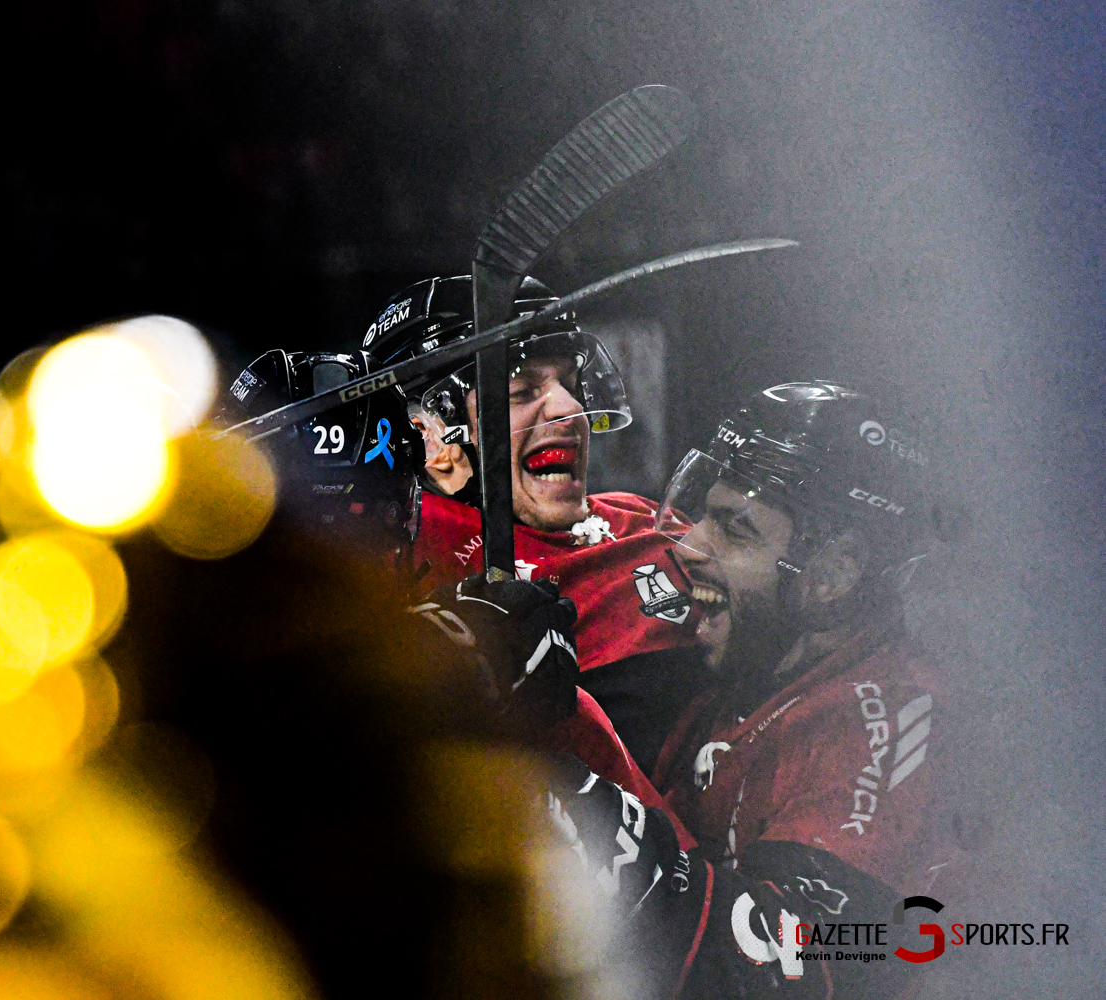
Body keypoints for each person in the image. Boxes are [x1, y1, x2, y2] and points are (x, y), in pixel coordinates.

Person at [532, 380, 966, 999]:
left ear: (833, 572)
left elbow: (781, 974)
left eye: (734, 530)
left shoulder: (883, 726)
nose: (688, 546)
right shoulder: (755, 662)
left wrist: (569, 758)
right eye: (704, 514)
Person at [363, 275, 705, 771]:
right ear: (431, 438)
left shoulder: (638, 513)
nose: (571, 409)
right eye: (522, 390)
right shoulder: (408, 568)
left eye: (570, 383)